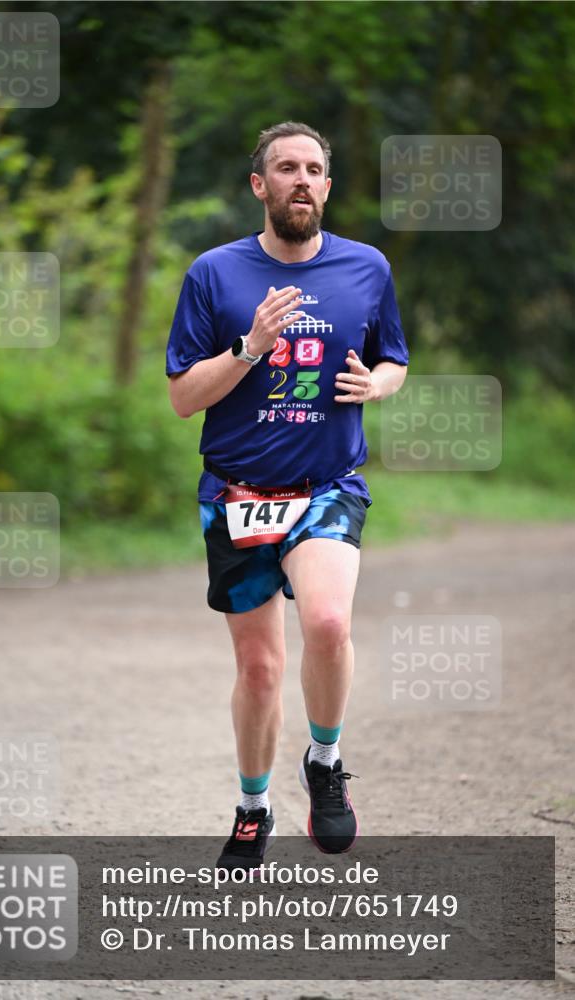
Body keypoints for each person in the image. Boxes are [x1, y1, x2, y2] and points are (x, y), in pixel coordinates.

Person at [166, 122, 408, 870]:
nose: (300, 179)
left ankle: (325, 761)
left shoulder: (366, 267)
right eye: (285, 168)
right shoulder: (214, 273)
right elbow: (182, 397)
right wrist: (248, 348)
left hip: (327, 485)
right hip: (236, 491)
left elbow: (394, 359)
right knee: (260, 669)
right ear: (259, 185)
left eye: (312, 169)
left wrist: (376, 385)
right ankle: (253, 807)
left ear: (326, 186)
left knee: (329, 623)